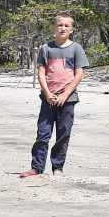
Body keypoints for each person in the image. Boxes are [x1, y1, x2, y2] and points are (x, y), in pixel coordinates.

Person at [23, 14, 87, 178]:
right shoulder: (46, 48)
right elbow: (41, 73)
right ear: (54, 28)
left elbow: (79, 74)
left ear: (71, 29)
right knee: (43, 133)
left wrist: (65, 94)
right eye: (59, 25)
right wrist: (47, 93)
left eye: (66, 26)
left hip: (68, 99)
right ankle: (36, 168)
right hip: (48, 99)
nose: (63, 28)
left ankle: (57, 168)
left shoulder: (76, 49)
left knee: (63, 134)